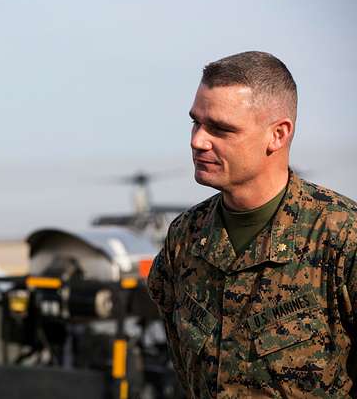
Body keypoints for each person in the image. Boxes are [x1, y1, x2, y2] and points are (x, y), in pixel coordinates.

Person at [148, 51, 357, 398]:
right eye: (196, 122)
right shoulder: (185, 238)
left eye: (220, 129)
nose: (197, 140)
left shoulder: (341, 236)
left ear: (277, 135)